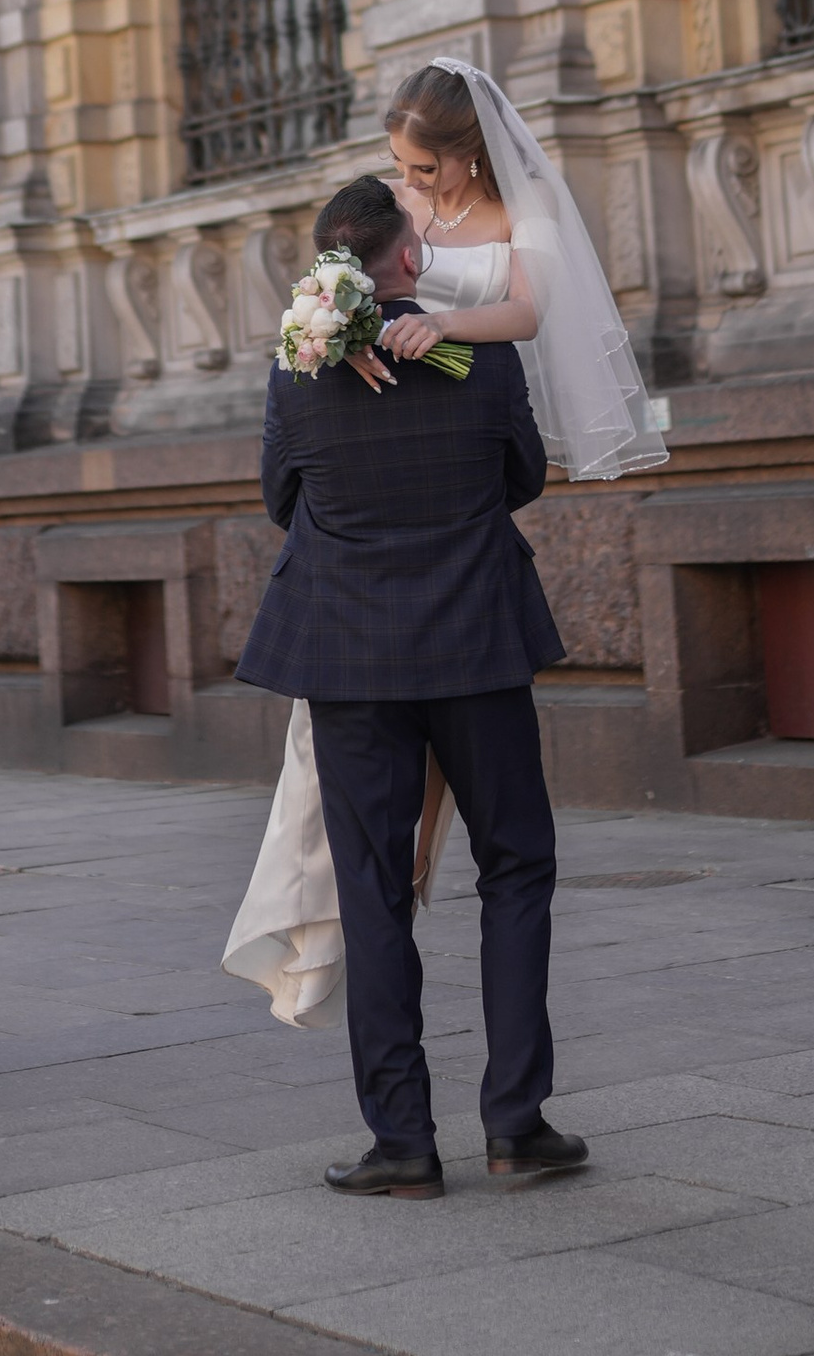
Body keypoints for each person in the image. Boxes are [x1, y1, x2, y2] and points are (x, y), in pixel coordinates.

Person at [223, 55, 667, 1042]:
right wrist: (347, 335)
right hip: (422, 510)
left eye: (423, 169)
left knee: (417, 827)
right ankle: (408, 899)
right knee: (454, 840)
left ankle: (398, 1076)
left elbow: (528, 313)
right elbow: (343, 272)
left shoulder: (524, 212)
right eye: (400, 167)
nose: (408, 184)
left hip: (460, 442)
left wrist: (435, 327)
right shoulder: (393, 209)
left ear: (469, 155)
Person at [233, 170, 587, 1196]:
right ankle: (516, 1126)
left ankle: (402, 1144)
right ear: (406, 257)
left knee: (373, 887)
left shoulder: (297, 368)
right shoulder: (481, 355)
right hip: (476, 639)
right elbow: (523, 476)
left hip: (350, 655)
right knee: (515, 866)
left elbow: (280, 497)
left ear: (330, 265)